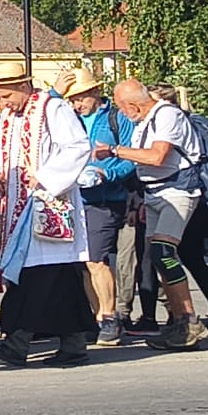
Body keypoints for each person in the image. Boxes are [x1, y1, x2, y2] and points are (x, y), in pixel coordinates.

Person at [0, 71, 96, 366]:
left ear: (24, 86)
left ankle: (17, 343)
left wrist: (46, 177)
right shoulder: (7, 118)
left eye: (7, 96)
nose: (4, 104)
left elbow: (78, 147)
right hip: (17, 212)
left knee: (41, 279)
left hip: (49, 206)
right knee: (55, 282)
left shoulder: (52, 109)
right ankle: (72, 343)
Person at [109, 78, 208, 351]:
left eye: (122, 107)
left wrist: (115, 151)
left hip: (177, 191)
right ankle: (177, 321)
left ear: (132, 105)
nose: (122, 114)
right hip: (154, 193)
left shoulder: (167, 115)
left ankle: (189, 320)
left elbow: (157, 156)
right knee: (157, 258)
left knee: (164, 252)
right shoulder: (144, 121)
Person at [57, 68, 135, 347]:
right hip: (74, 199)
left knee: (95, 259)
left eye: (80, 98)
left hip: (104, 199)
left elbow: (132, 158)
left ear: (95, 92)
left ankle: (110, 317)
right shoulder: (71, 119)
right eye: (72, 99)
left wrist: (106, 173)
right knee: (82, 263)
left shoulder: (117, 118)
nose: (77, 104)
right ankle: (97, 316)